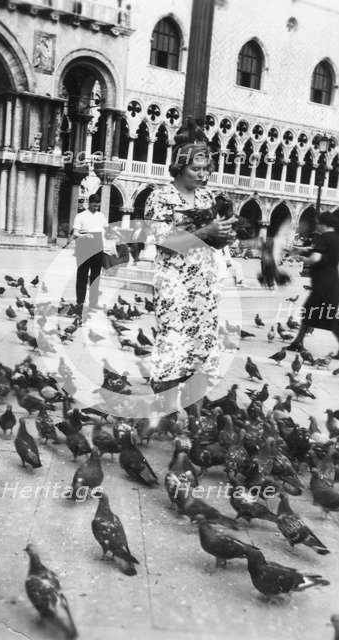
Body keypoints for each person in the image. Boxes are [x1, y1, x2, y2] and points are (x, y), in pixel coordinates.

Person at [144, 116, 234, 419]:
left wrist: (222, 236)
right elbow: (163, 241)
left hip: (204, 282)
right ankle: (166, 412)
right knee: (173, 342)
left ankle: (195, 415)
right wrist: (206, 232)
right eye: (196, 169)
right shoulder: (161, 196)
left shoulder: (208, 196)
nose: (203, 174)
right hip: (174, 283)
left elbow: (213, 242)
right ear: (179, 167)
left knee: (203, 346)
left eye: (206, 169)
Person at [287, 210, 339, 358]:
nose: (316, 227)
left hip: (323, 284)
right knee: (312, 312)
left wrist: (301, 259)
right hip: (333, 283)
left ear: (323, 224)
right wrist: (299, 249)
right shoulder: (337, 238)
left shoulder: (323, 237)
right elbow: (315, 249)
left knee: (324, 315)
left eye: (318, 224)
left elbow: (315, 257)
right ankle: (298, 341)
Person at [65, 194, 107, 312]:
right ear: (89, 203)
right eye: (94, 204)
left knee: (95, 275)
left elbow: (105, 231)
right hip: (84, 243)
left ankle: (93, 302)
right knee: (82, 274)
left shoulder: (101, 216)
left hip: (98, 243)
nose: (96, 206)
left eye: (98, 204)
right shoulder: (80, 216)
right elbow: (75, 234)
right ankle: (80, 302)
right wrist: (85, 235)